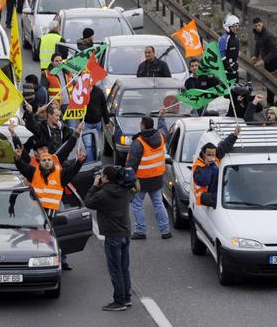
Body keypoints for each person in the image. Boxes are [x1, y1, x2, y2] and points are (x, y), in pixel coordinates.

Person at [15, 140, 85, 269]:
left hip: (51, 217)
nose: (47, 162)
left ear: (53, 163)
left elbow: (72, 171)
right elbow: (22, 167)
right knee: (34, 242)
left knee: (53, 243)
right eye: (44, 160)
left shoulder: (60, 175)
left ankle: (58, 261)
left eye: (49, 160)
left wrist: (79, 162)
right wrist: (18, 159)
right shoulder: (33, 173)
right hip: (34, 217)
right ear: (39, 163)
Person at [86, 165, 134, 311]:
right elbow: (133, 194)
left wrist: (95, 186)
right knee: (124, 268)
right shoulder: (125, 190)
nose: (100, 176)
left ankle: (119, 301)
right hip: (125, 233)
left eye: (101, 174)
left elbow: (88, 202)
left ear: (106, 178)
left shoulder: (103, 195)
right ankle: (127, 297)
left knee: (115, 270)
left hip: (113, 236)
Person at [126, 116, 171, 240]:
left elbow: (132, 164)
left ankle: (140, 231)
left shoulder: (139, 142)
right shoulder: (160, 137)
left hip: (141, 180)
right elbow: (164, 129)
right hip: (156, 178)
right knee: (158, 203)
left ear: (143, 126)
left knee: (137, 204)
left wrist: (127, 180)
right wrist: (161, 116)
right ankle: (165, 230)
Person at [192, 127, 241, 208]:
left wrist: (234, 135)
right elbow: (205, 181)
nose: (212, 157)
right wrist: (207, 166)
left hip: (215, 192)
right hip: (205, 201)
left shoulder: (215, 157)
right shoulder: (198, 167)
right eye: (209, 155)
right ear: (204, 154)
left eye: (213, 155)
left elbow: (224, 147)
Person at [218, 15, 241, 83]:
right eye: (234, 26)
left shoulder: (236, 37)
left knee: (237, 89)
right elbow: (221, 53)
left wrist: (236, 63)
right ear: (228, 27)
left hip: (234, 68)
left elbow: (235, 53)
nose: (237, 28)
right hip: (226, 70)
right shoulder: (224, 38)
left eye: (237, 25)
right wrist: (228, 66)